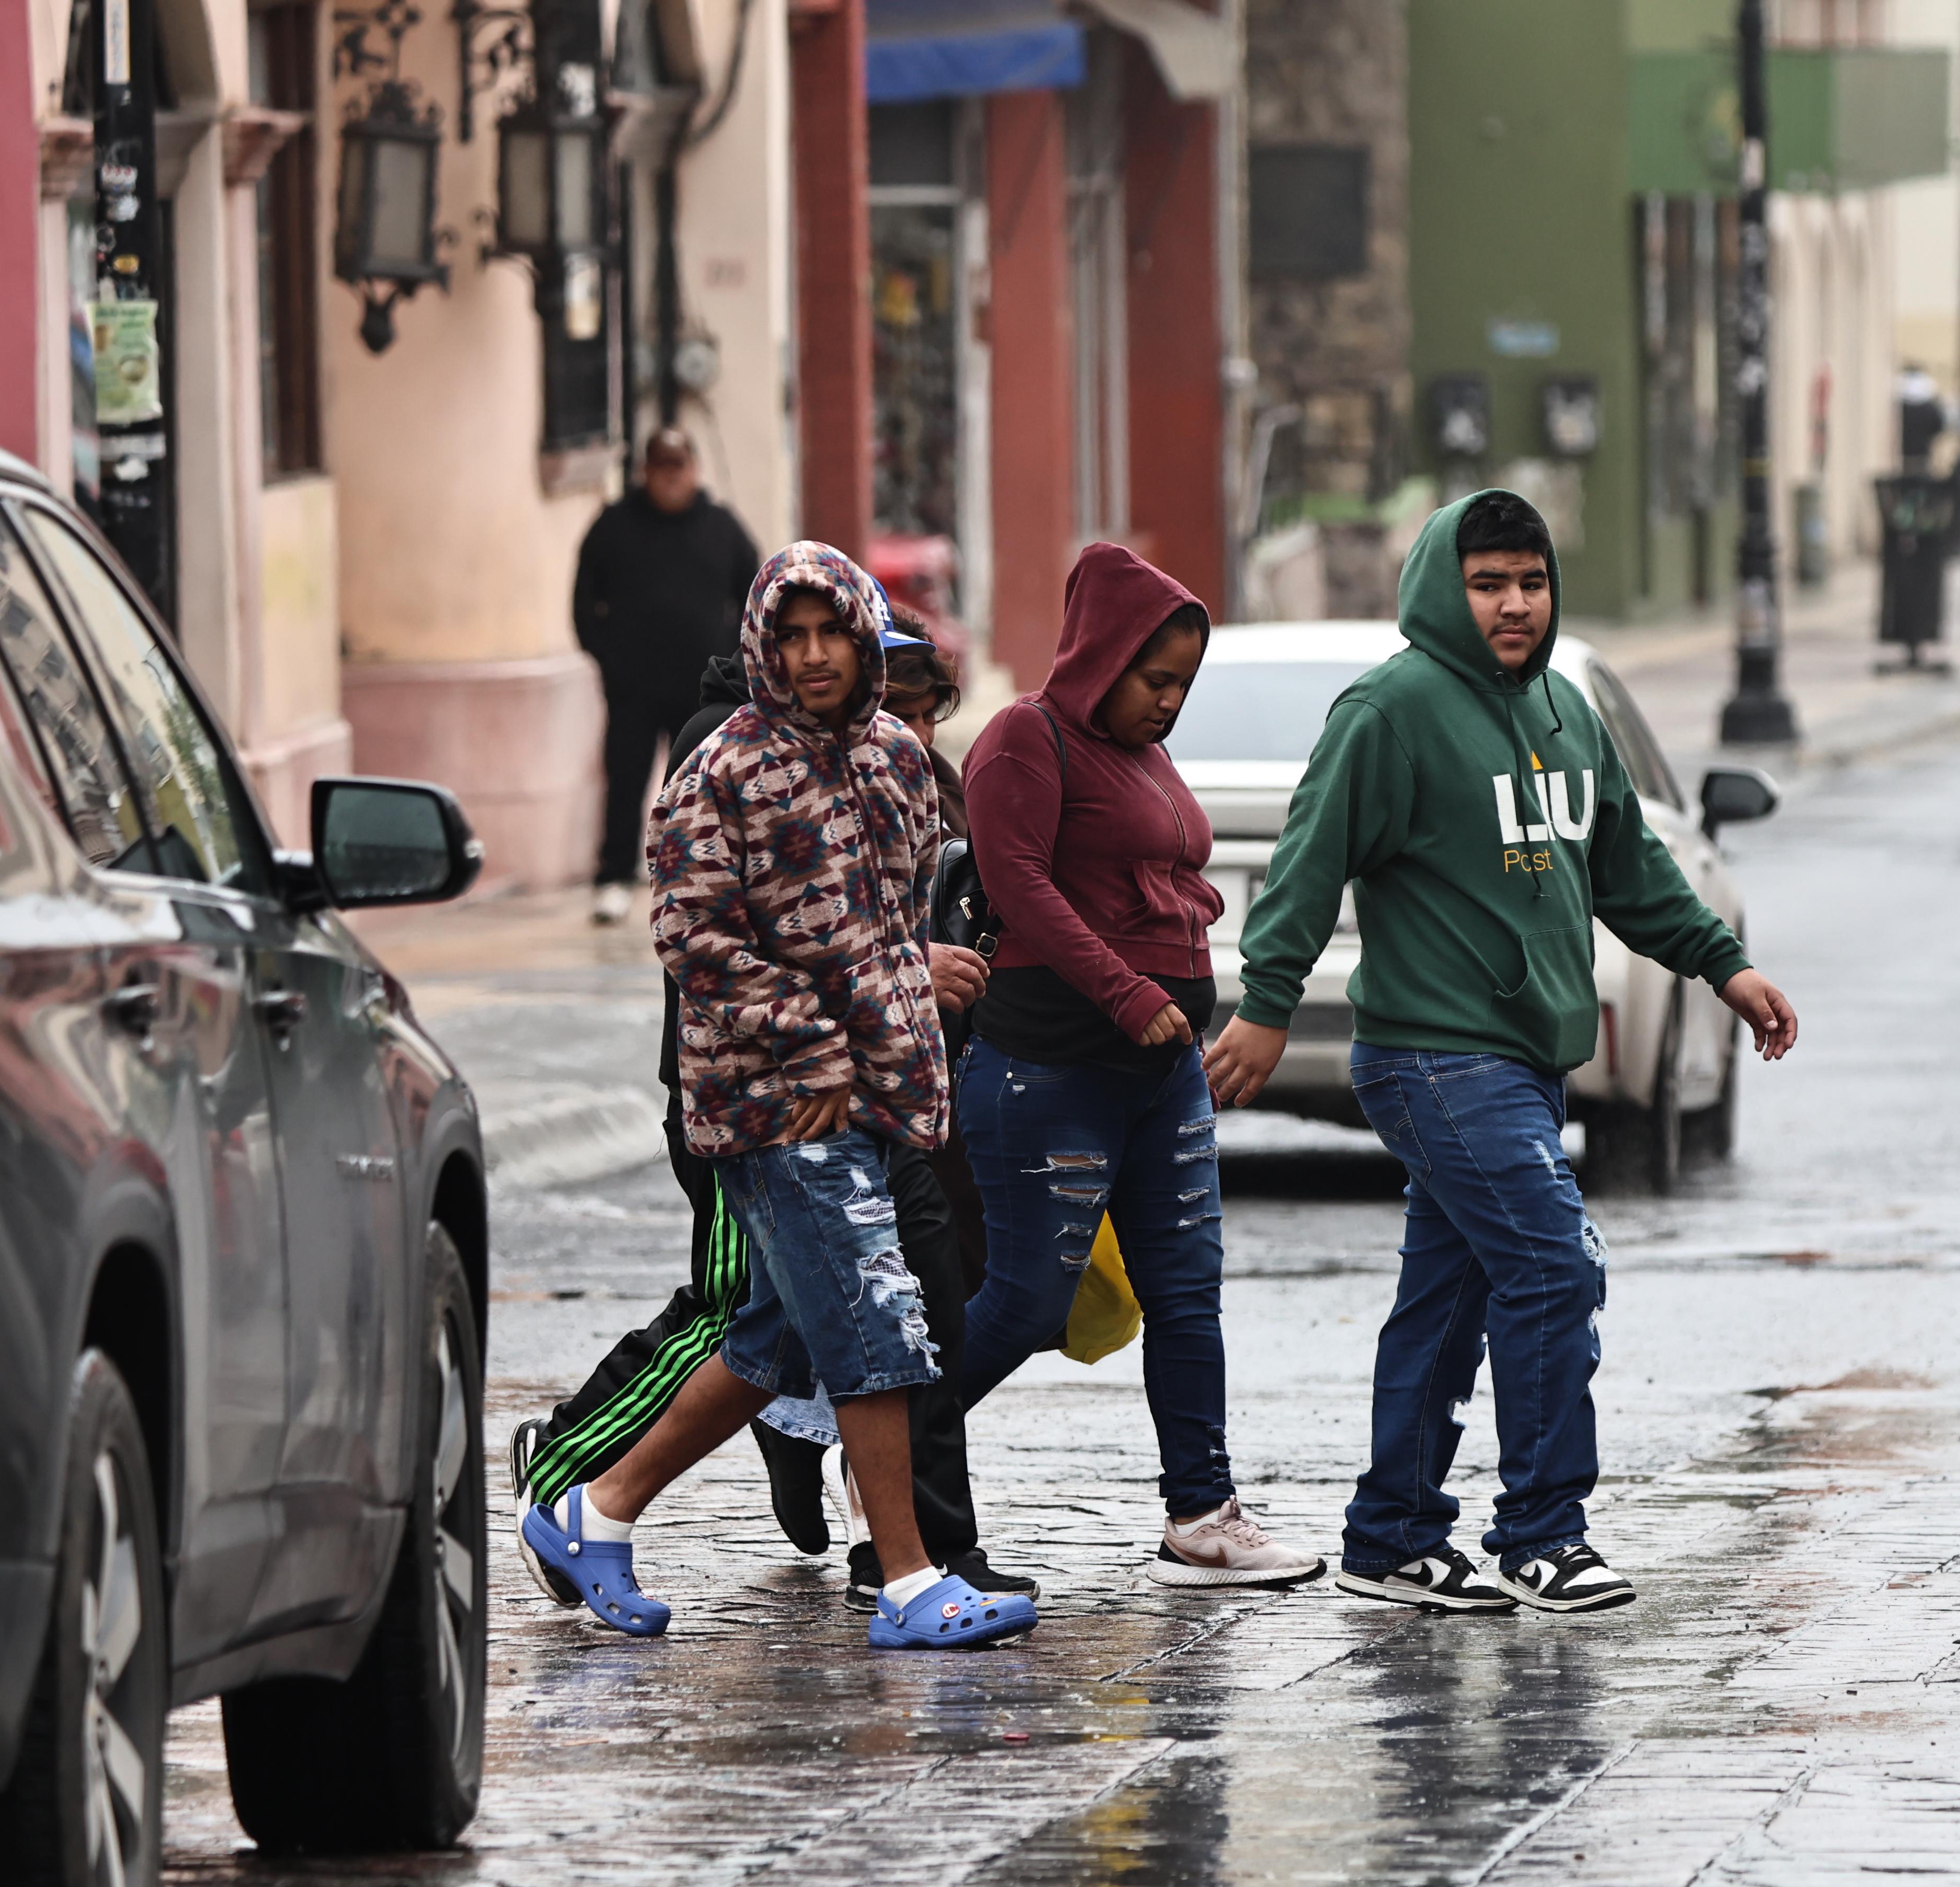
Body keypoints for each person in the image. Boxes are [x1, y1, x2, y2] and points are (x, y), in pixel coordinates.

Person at [1205, 491, 1801, 1614]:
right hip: (1431, 1054)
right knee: (1554, 1264)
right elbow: (1307, 858)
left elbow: (1629, 869)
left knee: (1449, 1296)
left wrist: (1725, 967)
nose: (1514, 602)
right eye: (1488, 583)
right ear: (1445, 585)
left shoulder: (1568, 710)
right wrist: (1269, 1001)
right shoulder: (1390, 709)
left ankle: (1390, 1536)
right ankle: (1543, 1532)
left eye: (1529, 579)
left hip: (1527, 1058)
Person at [520, 542, 1035, 1650]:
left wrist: (895, 1043)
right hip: (775, 1103)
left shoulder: (898, 758)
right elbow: (692, 939)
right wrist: (819, 1054)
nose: (812, 657)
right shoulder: (721, 769)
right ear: (764, 643)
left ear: (864, 636)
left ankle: (596, 1510)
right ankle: (908, 1580)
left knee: (775, 1342)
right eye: (790, 636)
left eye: (831, 634)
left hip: (872, 1095)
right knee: (870, 1327)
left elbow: (897, 924)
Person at [951, 543, 1324, 1588]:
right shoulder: (1023, 740)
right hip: (1049, 1071)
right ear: (1099, 654)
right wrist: (1127, 990)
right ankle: (897, 1456)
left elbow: (1161, 878)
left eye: (1183, 683)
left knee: (1188, 1291)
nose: (1169, 700)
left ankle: (1202, 1514)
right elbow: (1017, 882)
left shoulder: (1145, 758)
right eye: (1153, 677)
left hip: (1160, 1077)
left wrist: (1193, 962)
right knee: (1028, 1300)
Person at [571, 427, 759, 925]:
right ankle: (613, 877)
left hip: (700, 694)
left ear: (694, 469)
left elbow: (754, 595)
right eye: (662, 467)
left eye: (680, 467)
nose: (671, 478)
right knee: (626, 781)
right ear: (647, 472)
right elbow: (585, 598)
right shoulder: (614, 525)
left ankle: (697, 880)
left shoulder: (722, 527)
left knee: (699, 788)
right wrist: (607, 657)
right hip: (632, 688)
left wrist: (732, 662)